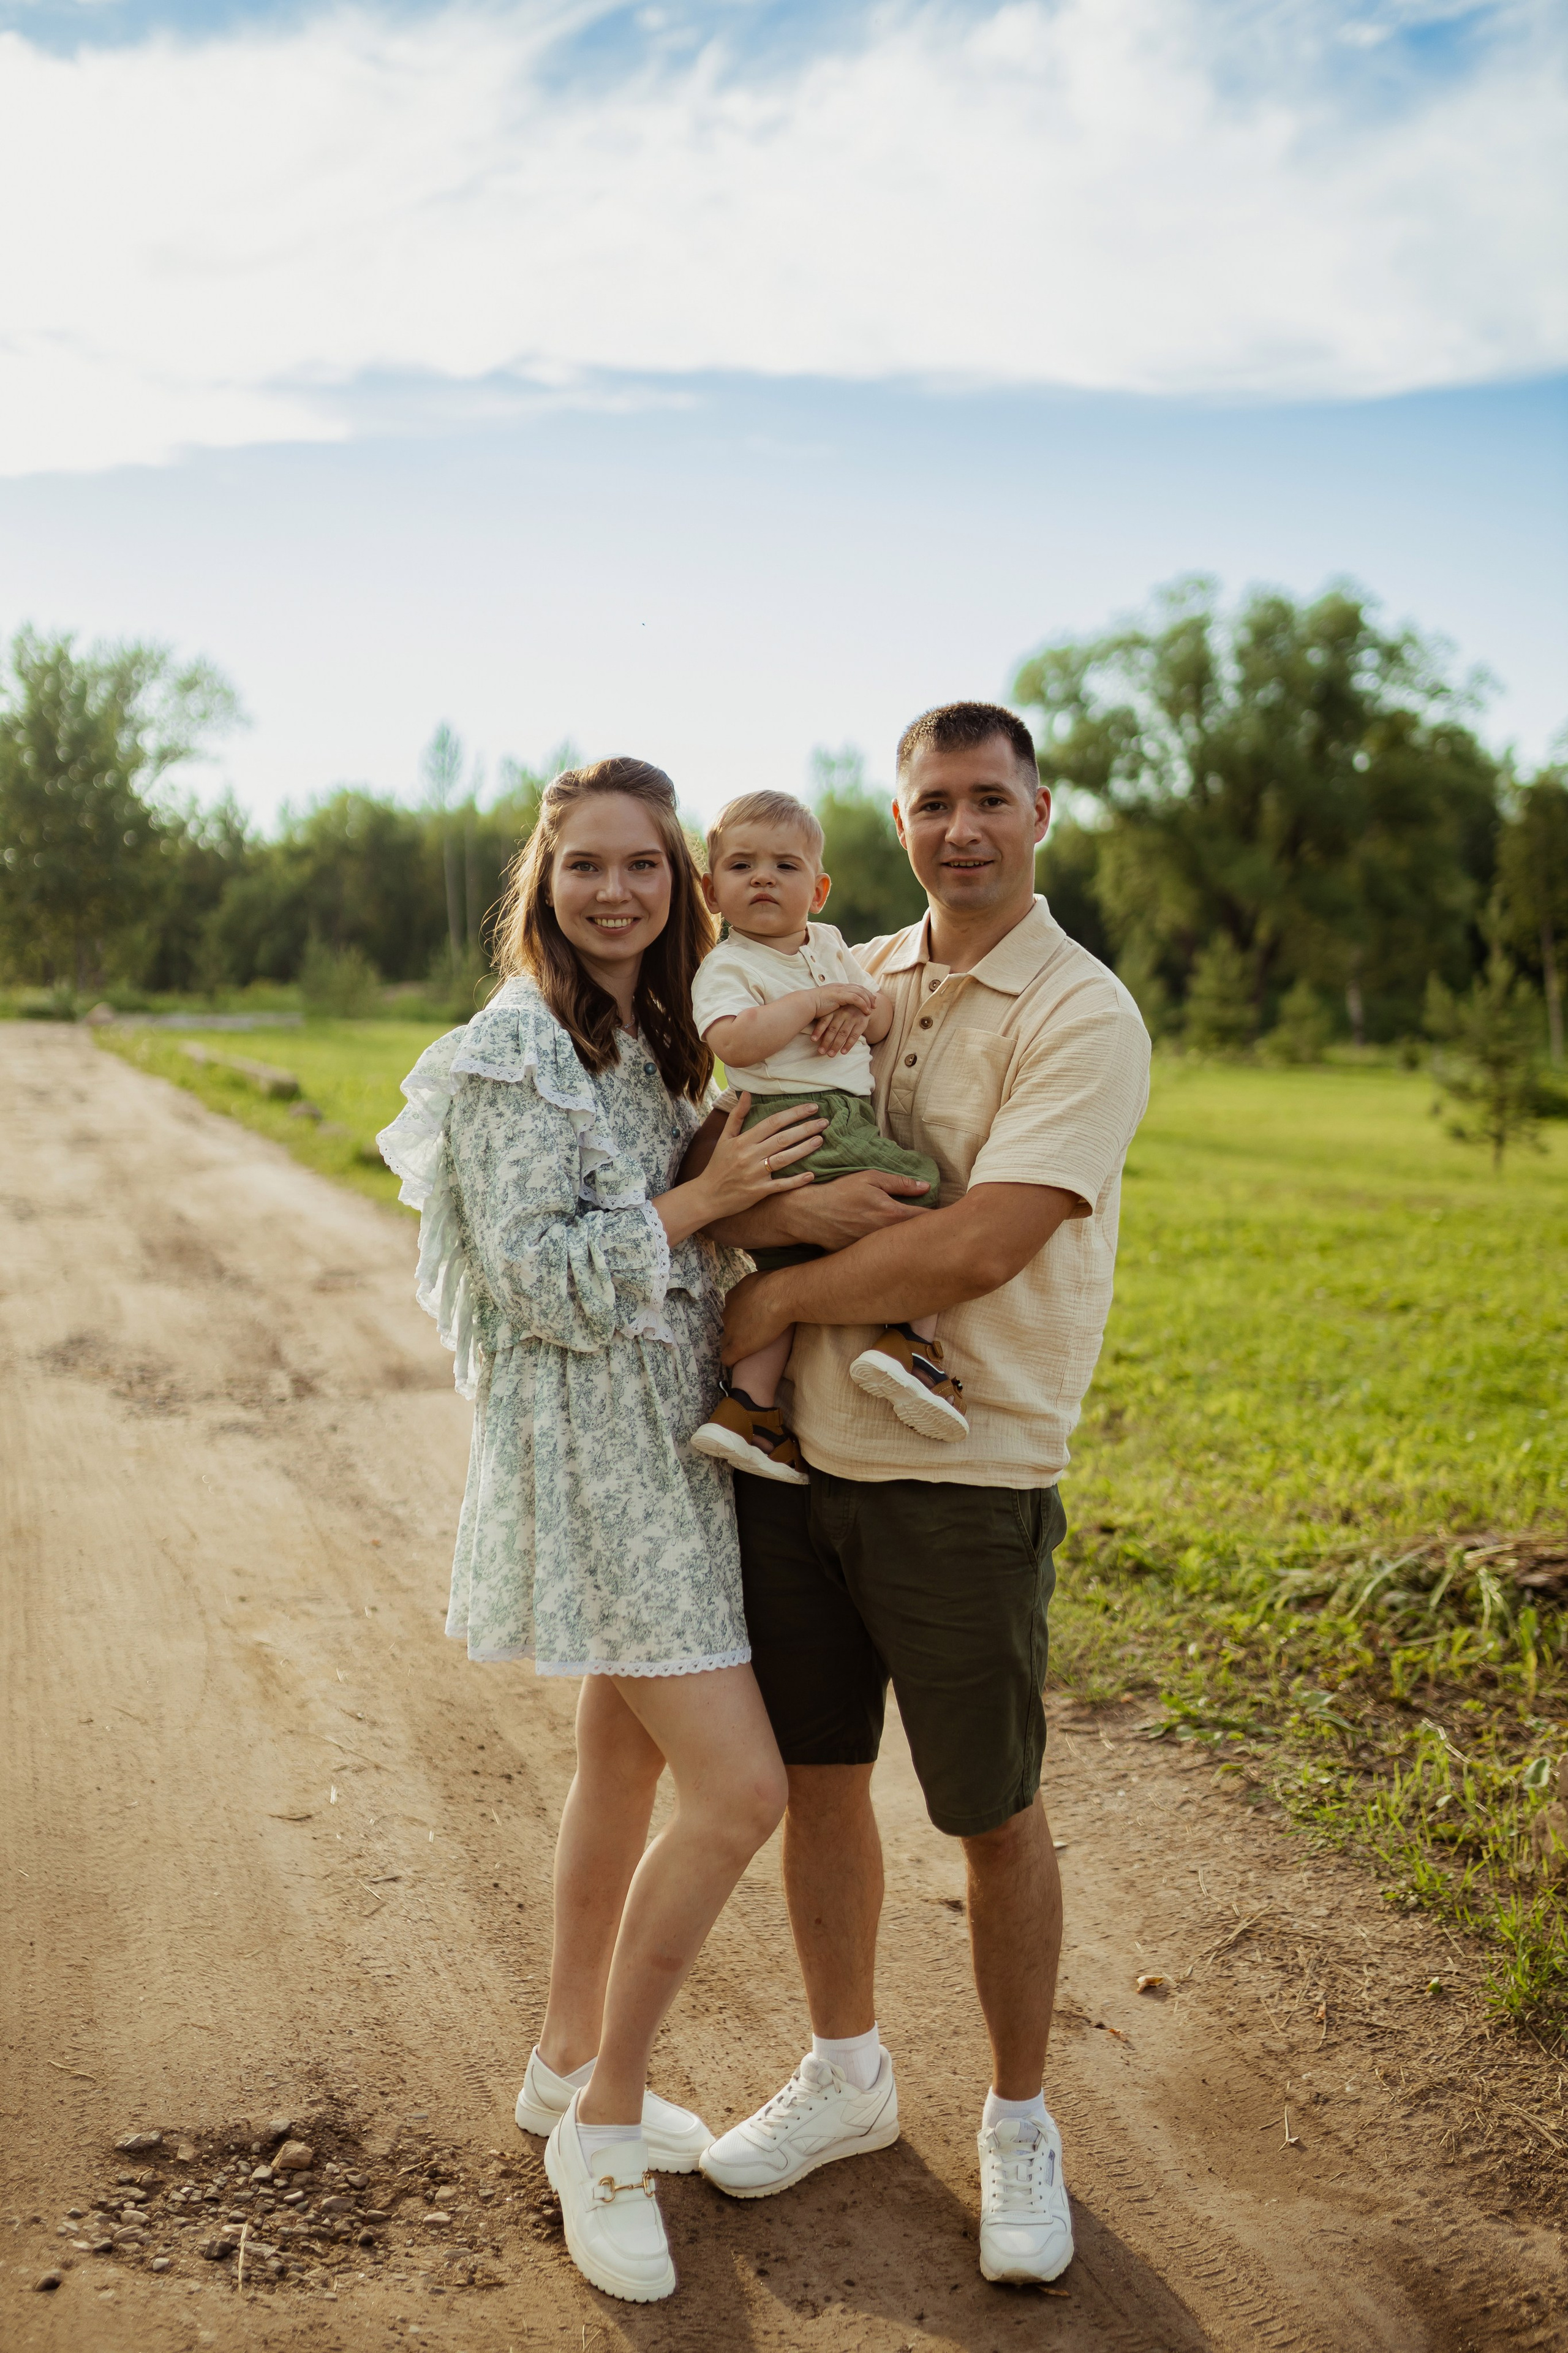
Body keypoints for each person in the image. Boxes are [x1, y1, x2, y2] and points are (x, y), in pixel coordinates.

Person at [688, 703, 1151, 2287]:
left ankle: (1020, 2118)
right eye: (931, 802)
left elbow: (977, 1244)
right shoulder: (850, 975)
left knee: (991, 1812)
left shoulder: (1082, 1012)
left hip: (966, 1468)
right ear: (898, 820)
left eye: (987, 801)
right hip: (798, 1458)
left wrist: (763, 1307)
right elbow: (747, 1142)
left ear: (1039, 811)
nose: (960, 828)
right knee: (821, 1784)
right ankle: (846, 2073)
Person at [377, 757, 827, 2306]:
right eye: (585, 865)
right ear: (544, 878)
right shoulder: (513, 1053)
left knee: (623, 1762)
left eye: (644, 864)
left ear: (678, 882)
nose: (617, 890)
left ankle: (564, 2065)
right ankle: (612, 2130)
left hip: (672, 1446)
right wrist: (702, 1211)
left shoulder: (647, 1037)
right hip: (598, 1471)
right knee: (740, 1786)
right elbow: (536, 1279)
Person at [688, 789, 965, 1487]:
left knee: (782, 1267)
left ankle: (748, 1411)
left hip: (819, 1118)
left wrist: (857, 1009)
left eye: (784, 866)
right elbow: (734, 1038)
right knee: (922, 1194)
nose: (762, 878)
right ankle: (911, 1345)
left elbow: (874, 1023)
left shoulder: (832, 945)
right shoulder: (728, 968)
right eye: (741, 865)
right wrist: (815, 1003)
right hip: (801, 1119)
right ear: (710, 889)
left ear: (818, 887)